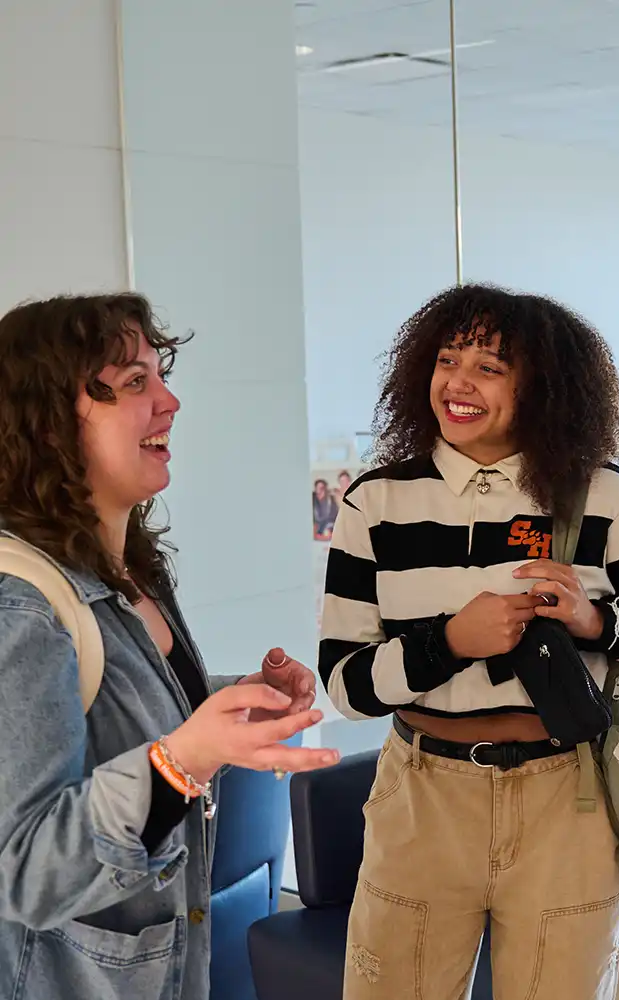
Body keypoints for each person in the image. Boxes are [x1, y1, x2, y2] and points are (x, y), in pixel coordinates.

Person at [320, 284, 619, 998]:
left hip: (566, 797)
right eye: (448, 360)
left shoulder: (604, 498)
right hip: (422, 794)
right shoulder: (375, 503)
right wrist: (450, 641)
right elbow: (347, 685)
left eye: (489, 367)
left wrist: (599, 622)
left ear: (542, 387)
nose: (458, 384)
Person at [0, 294, 339, 1000]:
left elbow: (111, 719)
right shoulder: (21, 608)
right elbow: (25, 873)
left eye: (159, 375)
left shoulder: (128, 570)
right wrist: (183, 759)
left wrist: (230, 704)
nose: (170, 401)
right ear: (49, 423)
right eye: (133, 384)